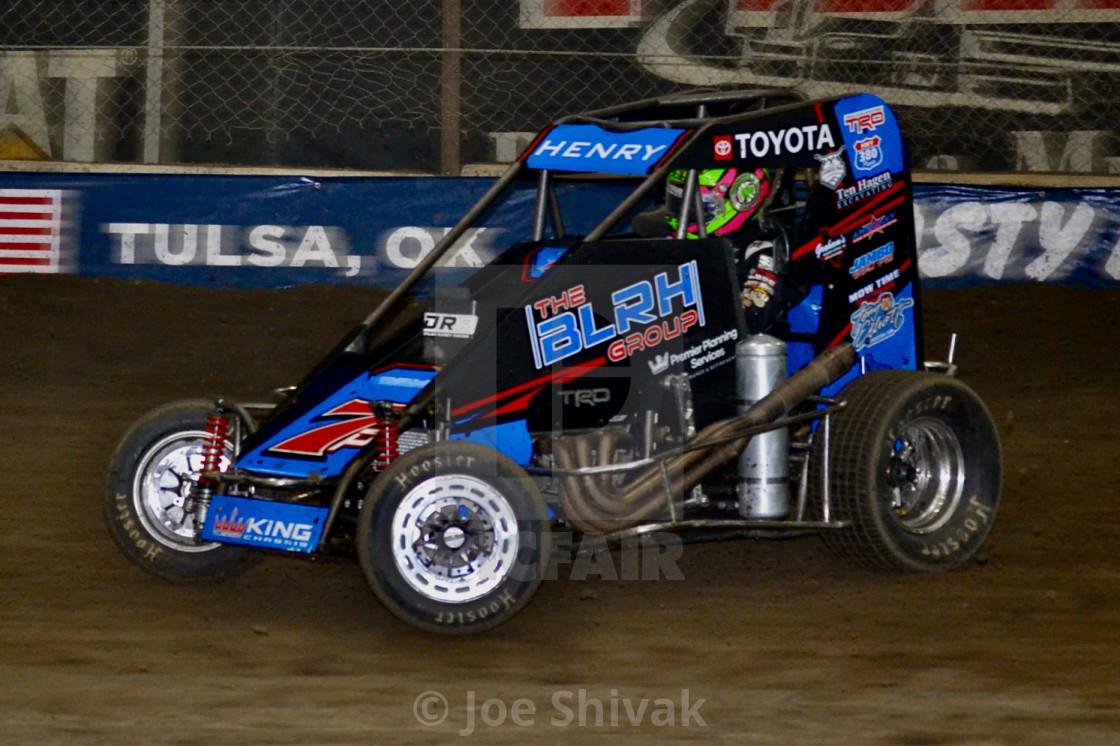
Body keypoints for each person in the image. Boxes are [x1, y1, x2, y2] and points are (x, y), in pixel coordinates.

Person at [634, 167, 792, 335]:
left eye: (696, 206)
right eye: (677, 203)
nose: (683, 212)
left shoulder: (761, 250)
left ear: (741, 200)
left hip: (713, 342)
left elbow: (752, 319)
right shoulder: (668, 235)